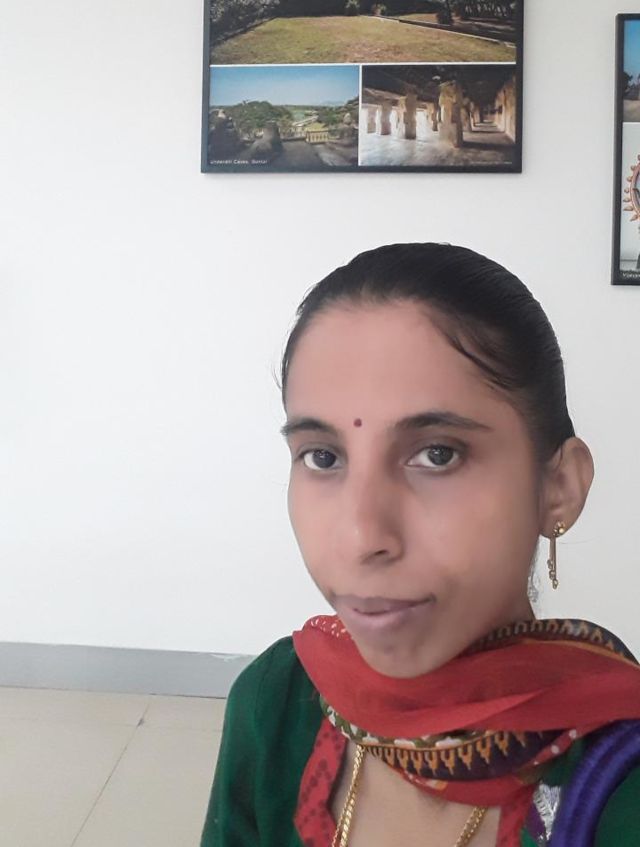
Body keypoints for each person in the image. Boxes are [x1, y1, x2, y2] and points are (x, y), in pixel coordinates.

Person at [201, 243, 640, 847]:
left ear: (558, 487)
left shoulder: (622, 795)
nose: (362, 538)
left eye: (437, 454)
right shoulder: (276, 705)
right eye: (322, 457)